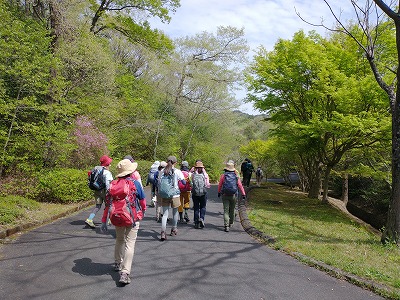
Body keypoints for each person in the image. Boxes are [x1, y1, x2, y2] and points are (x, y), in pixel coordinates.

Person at [100, 159, 147, 285]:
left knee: (119, 240)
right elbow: (142, 200)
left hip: (117, 216)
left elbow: (108, 204)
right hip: (132, 217)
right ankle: (125, 273)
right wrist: (143, 210)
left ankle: (117, 263)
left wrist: (104, 221)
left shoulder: (113, 184)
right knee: (130, 243)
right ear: (130, 171)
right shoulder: (135, 183)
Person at [157, 155, 185, 241]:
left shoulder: (162, 170)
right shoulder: (177, 171)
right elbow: (183, 182)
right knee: (175, 213)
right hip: (175, 195)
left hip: (165, 194)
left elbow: (158, 182)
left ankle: (163, 232)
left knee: (165, 214)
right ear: (175, 163)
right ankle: (174, 229)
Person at [85, 155, 113, 228]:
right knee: (109, 205)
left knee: (98, 206)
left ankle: (89, 219)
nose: (110, 164)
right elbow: (108, 184)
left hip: (96, 190)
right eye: (109, 163)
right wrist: (109, 192)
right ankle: (110, 220)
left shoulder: (96, 168)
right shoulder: (107, 172)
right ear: (107, 164)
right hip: (104, 191)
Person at [218, 160, 246, 232]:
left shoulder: (223, 176)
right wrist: (243, 194)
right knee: (232, 210)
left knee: (226, 210)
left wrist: (219, 192)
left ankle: (226, 225)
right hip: (234, 195)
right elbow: (240, 185)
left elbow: (220, 185)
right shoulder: (236, 176)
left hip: (225, 195)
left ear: (226, 168)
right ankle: (230, 222)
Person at [191, 160, 211, 229]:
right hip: (203, 193)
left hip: (195, 193)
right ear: (202, 168)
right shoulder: (205, 175)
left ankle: (196, 221)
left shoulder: (193, 174)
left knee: (196, 207)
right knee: (203, 207)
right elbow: (208, 185)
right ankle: (202, 219)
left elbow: (192, 183)